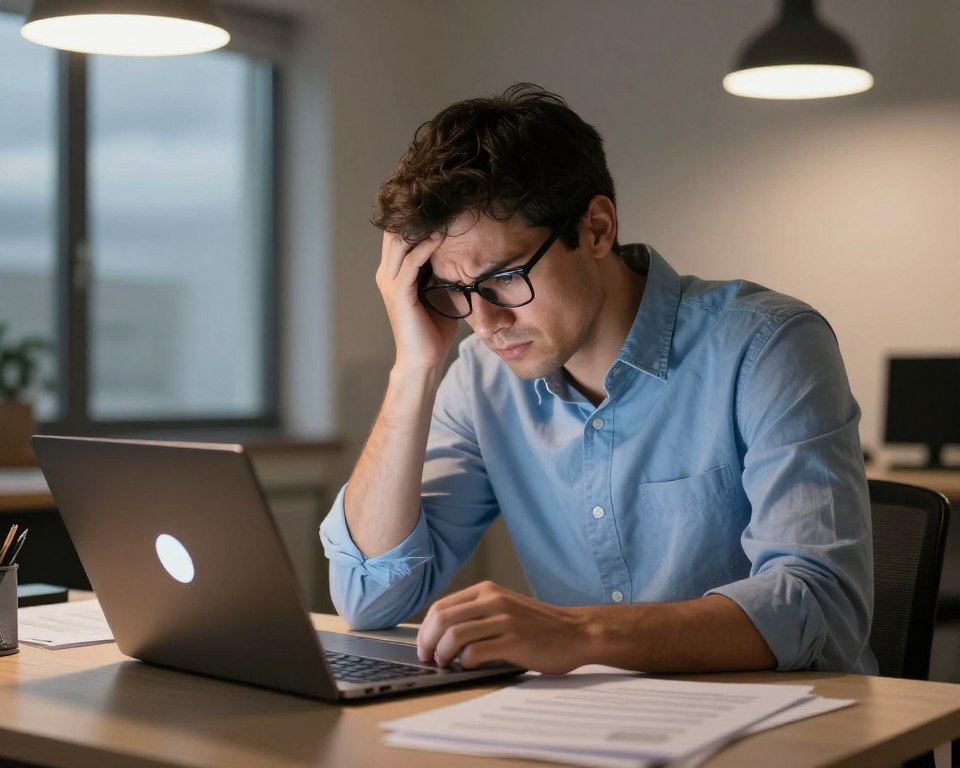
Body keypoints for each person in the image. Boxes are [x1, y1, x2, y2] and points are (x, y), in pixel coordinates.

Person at [320, 83, 876, 676]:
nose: (484, 322)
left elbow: (820, 605)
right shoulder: (480, 377)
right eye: (454, 291)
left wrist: (579, 632)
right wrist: (414, 367)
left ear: (597, 228)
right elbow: (369, 596)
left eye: (504, 277)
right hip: (595, 733)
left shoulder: (766, 345)